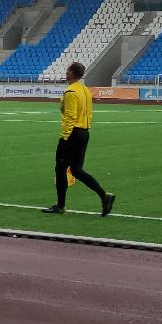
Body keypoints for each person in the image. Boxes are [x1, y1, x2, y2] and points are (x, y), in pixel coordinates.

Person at [42, 61, 115, 216]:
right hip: (84, 132)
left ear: (71, 73)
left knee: (60, 168)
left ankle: (60, 206)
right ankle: (104, 196)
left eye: (67, 70)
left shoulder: (71, 92)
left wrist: (64, 138)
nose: (66, 72)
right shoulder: (85, 90)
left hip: (73, 134)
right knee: (76, 170)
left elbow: (70, 116)